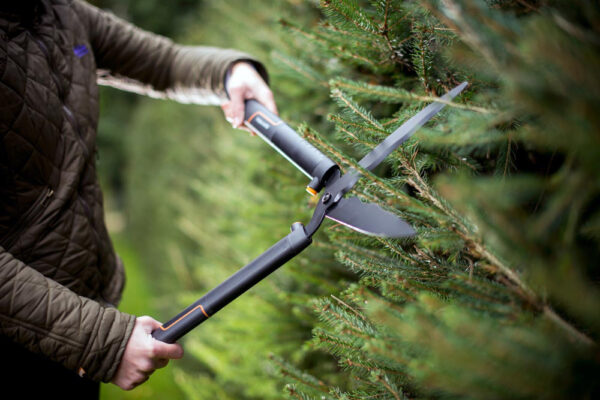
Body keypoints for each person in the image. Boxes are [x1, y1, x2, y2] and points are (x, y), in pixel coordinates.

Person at [0, 0, 276, 397]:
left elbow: (164, 63)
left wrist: (230, 72)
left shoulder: (59, 12)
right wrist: (100, 340)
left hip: (78, 323)